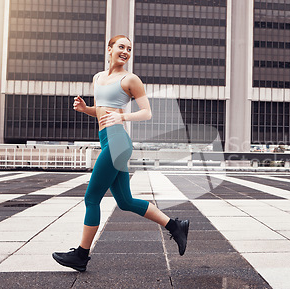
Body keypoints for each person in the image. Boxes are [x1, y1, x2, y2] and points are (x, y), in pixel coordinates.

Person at [52, 35, 189, 272]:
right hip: (107, 139)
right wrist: (86, 109)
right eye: (121, 47)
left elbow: (146, 113)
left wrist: (123, 116)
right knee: (125, 201)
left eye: (129, 48)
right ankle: (175, 226)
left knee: (91, 198)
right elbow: (102, 111)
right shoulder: (98, 77)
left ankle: (81, 255)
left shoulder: (131, 79)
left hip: (118, 141)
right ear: (109, 49)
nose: (125, 51)